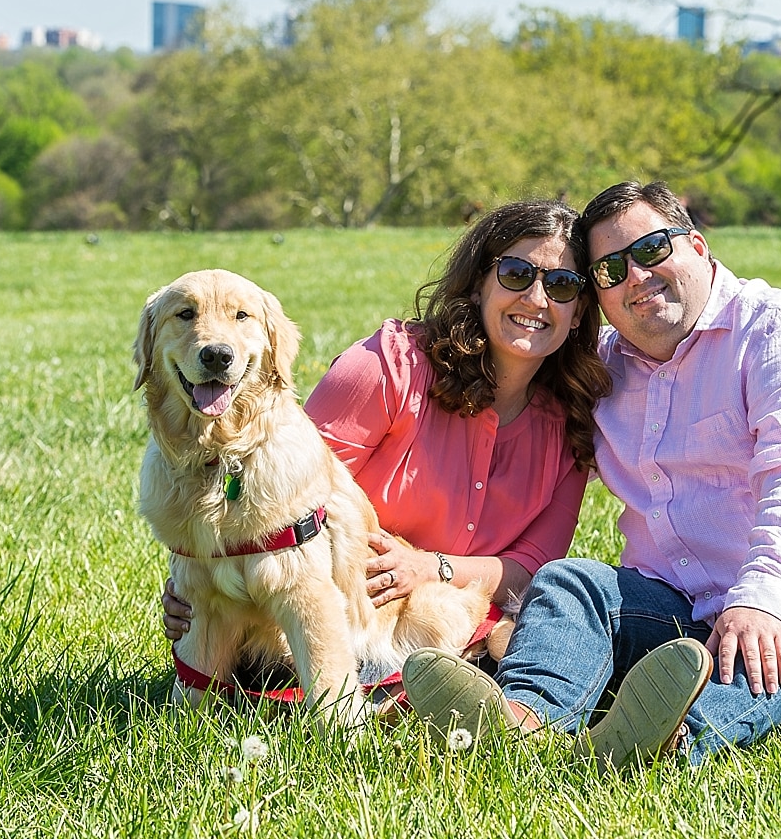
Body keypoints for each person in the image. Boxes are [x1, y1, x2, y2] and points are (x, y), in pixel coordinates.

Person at [402, 180, 781, 770]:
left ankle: (675, 742)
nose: (636, 278)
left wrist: (761, 602)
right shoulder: (601, 369)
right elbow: (510, 423)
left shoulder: (780, 332)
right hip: (682, 611)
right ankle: (523, 725)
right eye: (609, 271)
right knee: (574, 583)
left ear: (697, 247)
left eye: (651, 251)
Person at [161, 200, 612, 675]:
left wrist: (431, 568)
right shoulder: (387, 368)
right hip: (323, 629)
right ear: (479, 284)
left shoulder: (570, 424)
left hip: (458, 621)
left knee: (557, 616)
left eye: (562, 285)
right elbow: (271, 496)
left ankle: (574, 707)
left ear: (579, 311)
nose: (537, 299)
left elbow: (532, 569)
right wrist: (195, 578)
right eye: (517, 273)